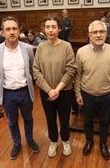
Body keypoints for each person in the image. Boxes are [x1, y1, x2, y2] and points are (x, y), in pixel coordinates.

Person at [0, 16, 40, 160]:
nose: (11, 32)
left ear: (19, 31)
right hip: (7, 93)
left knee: (28, 118)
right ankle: (17, 143)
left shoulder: (28, 49)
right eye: (8, 29)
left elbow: (31, 69)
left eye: (14, 29)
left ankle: (29, 139)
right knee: (12, 121)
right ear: (2, 32)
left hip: (25, 91)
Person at [74, 20, 110, 160]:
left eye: (102, 32)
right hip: (87, 94)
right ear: (89, 35)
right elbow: (78, 75)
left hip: (106, 95)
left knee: (104, 122)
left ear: (106, 34)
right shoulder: (81, 52)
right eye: (95, 32)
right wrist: (78, 93)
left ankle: (103, 143)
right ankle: (89, 141)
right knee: (87, 121)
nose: (98, 35)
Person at [33, 16, 76, 158]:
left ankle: (65, 140)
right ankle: (53, 141)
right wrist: (49, 90)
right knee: (50, 119)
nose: (50, 30)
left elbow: (71, 70)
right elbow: (36, 71)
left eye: (53, 27)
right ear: (44, 29)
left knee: (64, 119)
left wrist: (56, 90)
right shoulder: (40, 47)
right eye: (47, 27)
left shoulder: (66, 46)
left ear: (59, 29)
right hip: (46, 91)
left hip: (64, 91)